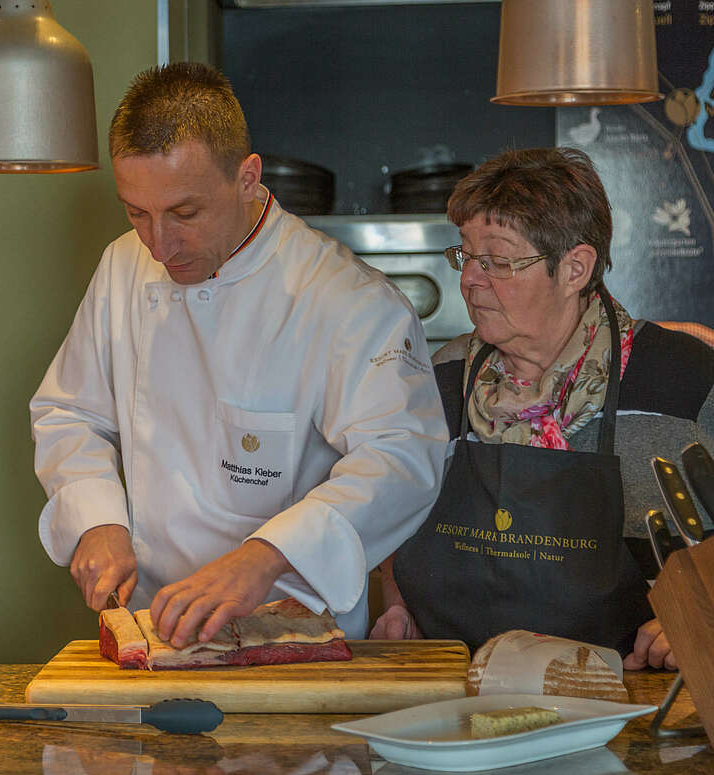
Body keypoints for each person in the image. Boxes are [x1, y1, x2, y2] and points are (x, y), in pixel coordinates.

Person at [30, 63, 447, 647]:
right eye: (136, 212)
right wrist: (95, 516)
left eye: (185, 213)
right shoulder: (123, 267)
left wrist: (266, 555)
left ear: (248, 178)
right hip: (154, 631)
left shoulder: (345, 299)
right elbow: (71, 413)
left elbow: (403, 458)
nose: (158, 243)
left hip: (292, 631)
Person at [370, 147, 714, 669]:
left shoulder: (682, 382)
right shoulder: (444, 377)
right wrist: (400, 603)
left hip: (630, 703)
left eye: (498, 260)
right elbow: (391, 515)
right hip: (459, 698)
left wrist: (706, 614)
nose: (470, 279)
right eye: (466, 255)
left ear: (575, 268)